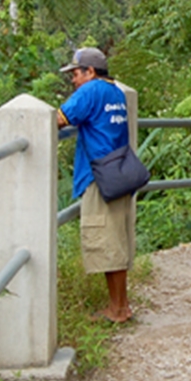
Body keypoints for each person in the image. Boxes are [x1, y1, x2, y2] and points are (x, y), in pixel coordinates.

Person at [56, 47, 135, 323]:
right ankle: (121, 305)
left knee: (107, 243)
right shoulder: (115, 92)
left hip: (98, 176)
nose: (73, 81)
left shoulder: (90, 91)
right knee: (116, 240)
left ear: (90, 72)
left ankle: (117, 310)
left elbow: (60, 119)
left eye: (76, 74)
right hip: (118, 172)